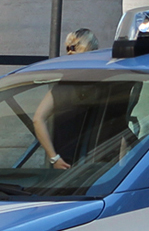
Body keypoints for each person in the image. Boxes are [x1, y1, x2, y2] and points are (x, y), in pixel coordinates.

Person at [33, 29, 99, 169]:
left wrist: (54, 157)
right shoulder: (103, 83)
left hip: (66, 161)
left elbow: (38, 119)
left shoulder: (64, 85)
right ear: (92, 52)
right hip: (99, 160)